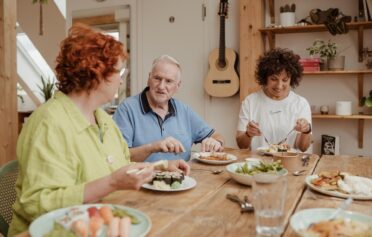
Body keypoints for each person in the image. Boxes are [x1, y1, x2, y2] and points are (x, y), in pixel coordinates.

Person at [8, 24, 189, 236]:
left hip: (101, 224)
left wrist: (162, 166)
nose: (122, 80)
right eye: (119, 72)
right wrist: (111, 183)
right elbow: (38, 203)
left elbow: (123, 165)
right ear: (97, 73)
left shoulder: (103, 118)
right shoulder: (48, 123)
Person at [113, 55, 224, 162]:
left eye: (168, 81)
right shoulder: (127, 109)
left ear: (178, 86)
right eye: (157, 78)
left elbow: (217, 136)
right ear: (149, 79)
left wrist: (215, 141)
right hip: (143, 179)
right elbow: (119, 156)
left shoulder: (183, 110)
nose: (161, 86)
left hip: (184, 178)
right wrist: (153, 147)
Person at [236, 48, 312, 152]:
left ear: (292, 79)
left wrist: (306, 131)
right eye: (274, 79)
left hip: (290, 163)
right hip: (258, 164)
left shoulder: (301, 104)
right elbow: (241, 145)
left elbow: (303, 148)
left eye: (285, 80)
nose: (279, 86)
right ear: (265, 78)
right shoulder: (250, 102)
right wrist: (248, 134)